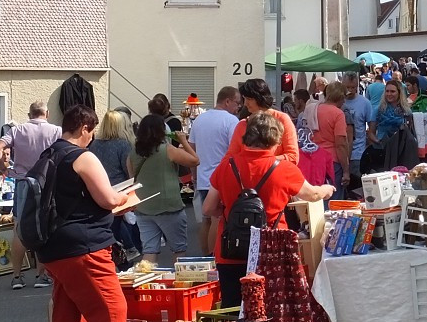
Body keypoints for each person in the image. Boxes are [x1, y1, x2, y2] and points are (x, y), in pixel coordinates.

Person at [36, 105, 135, 322]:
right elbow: (106, 199)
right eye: (90, 132)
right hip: (84, 246)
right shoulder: (82, 156)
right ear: (84, 129)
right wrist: (124, 197)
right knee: (111, 308)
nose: (91, 138)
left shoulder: (49, 155)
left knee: (67, 312)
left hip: (52, 247)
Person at [205, 112, 333, 308]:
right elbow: (312, 195)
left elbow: (208, 207)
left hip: (231, 249)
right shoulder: (284, 169)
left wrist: (226, 212)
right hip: (271, 248)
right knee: (272, 307)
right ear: (275, 140)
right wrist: (326, 189)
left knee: (233, 308)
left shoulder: (226, 165)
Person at [0, 101, 60, 290]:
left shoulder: (17, 130)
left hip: (23, 182)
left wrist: (3, 167)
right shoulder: (56, 131)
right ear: (46, 113)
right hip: (46, 182)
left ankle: (16, 276)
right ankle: (41, 275)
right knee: (44, 227)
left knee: (19, 228)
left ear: (30, 114)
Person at [129, 115, 199, 266]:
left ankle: (147, 286)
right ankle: (178, 284)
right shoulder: (167, 149)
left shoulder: (133, 153)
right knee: (178, 250)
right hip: (169, 206)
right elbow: (195, 161)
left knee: (149, 251)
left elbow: (132, 177)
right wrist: (184, 142)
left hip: (144, 208)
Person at [188, 86, 241, 256]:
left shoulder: (199, 120)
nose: (238, 106)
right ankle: (213, 258)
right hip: (221, 179)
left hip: (203, 178)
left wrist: (194, 177)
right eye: (237, 102)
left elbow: (192, 150)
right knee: (217, 221)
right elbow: (236, 150)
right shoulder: (231, 121)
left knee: (205, 221)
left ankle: (205, 256)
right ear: (227, 101)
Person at [88, 110, 140, 264]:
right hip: (121, 193)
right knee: (130, 229)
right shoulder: (124, 144)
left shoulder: (94, 144)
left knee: (112, 231)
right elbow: (130, 172)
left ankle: (120, 260)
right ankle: (126, 262)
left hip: (99, 192)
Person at [224, 79, 300, 167]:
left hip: (276, 176)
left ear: (259, 98)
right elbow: (229, 158)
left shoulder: (282, 119)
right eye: (244, 99)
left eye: (249, 99)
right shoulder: (242, 124)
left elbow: (293, 157)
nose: (245, 103)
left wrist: (262, 162)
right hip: (249, 178)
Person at [310, 81, 350, 199]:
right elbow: (340, 144)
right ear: (341, 97)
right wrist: (346, 170)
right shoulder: (338, 114)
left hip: (313, 158)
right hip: (332, 161)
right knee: (333, 198)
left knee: (317, 198)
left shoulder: (313, 110)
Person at [341, 72, 373, 191]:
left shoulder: (365, 103)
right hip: (341, 151)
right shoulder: (339, 102)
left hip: (358, 153)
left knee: (357, 188)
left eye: (353, 87)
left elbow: (371, 126)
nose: (350, 90)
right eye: (347, 87)